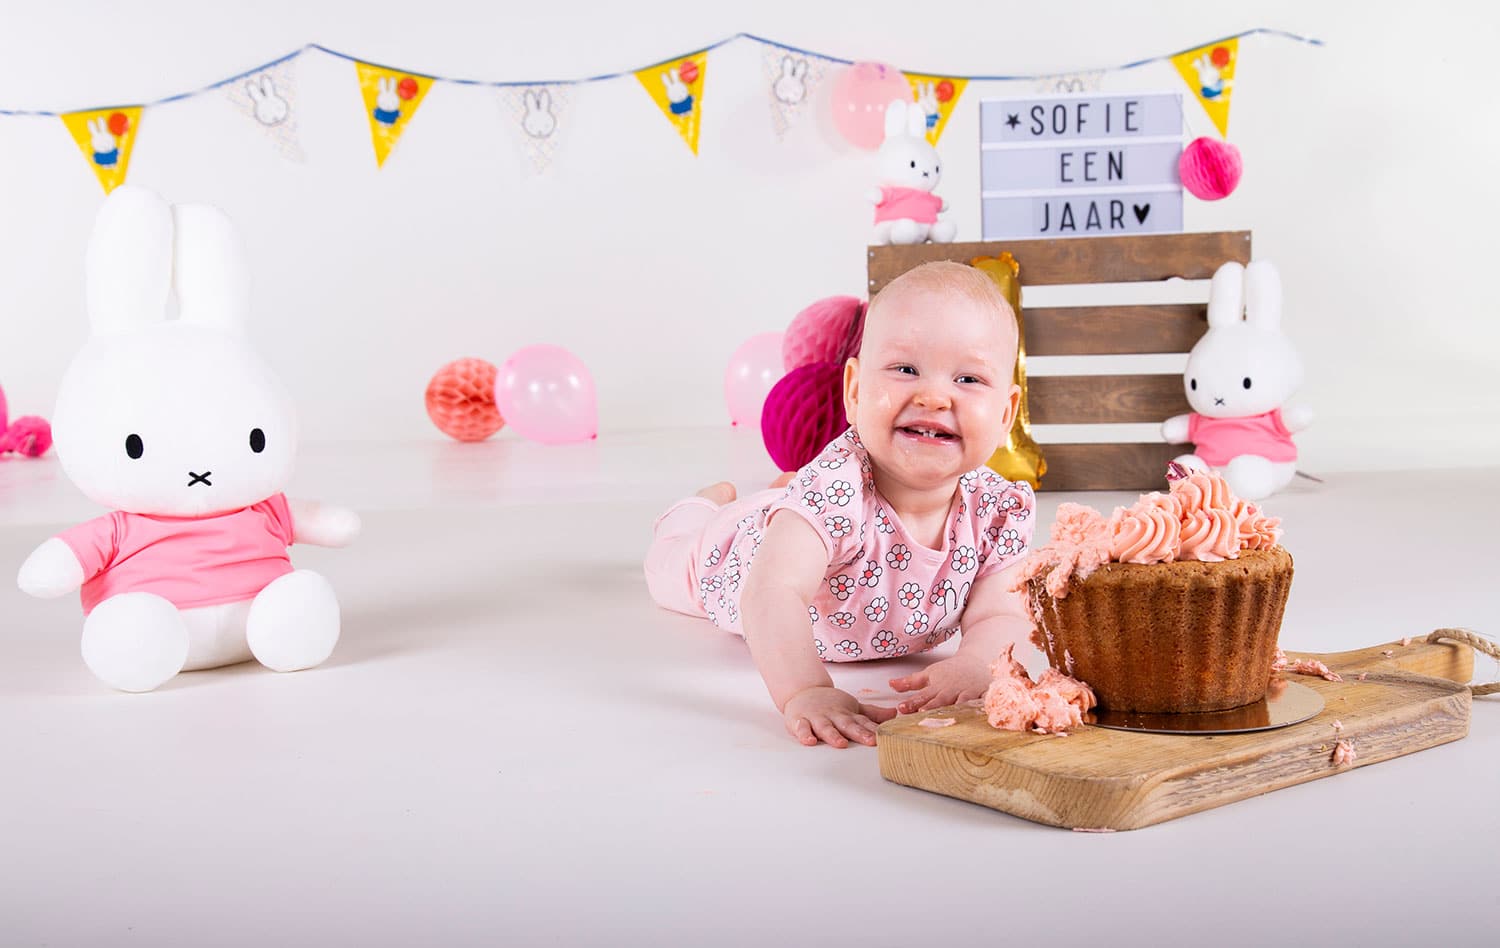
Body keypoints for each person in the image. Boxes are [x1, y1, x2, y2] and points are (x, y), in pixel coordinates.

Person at [645, 261, 1036, 748]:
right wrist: (806, 691)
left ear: (1006, 414)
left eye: (969, 380)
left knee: (790, 503)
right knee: (669, 564)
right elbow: (772, 593)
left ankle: (774, 495)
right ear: (854, 391)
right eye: (906, 369)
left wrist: (978, 663)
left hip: (797, 510)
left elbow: (1002, 613)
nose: (935, 396)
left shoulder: (996, 510)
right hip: (731, 556)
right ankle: (700, 507)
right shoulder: (839, 490)